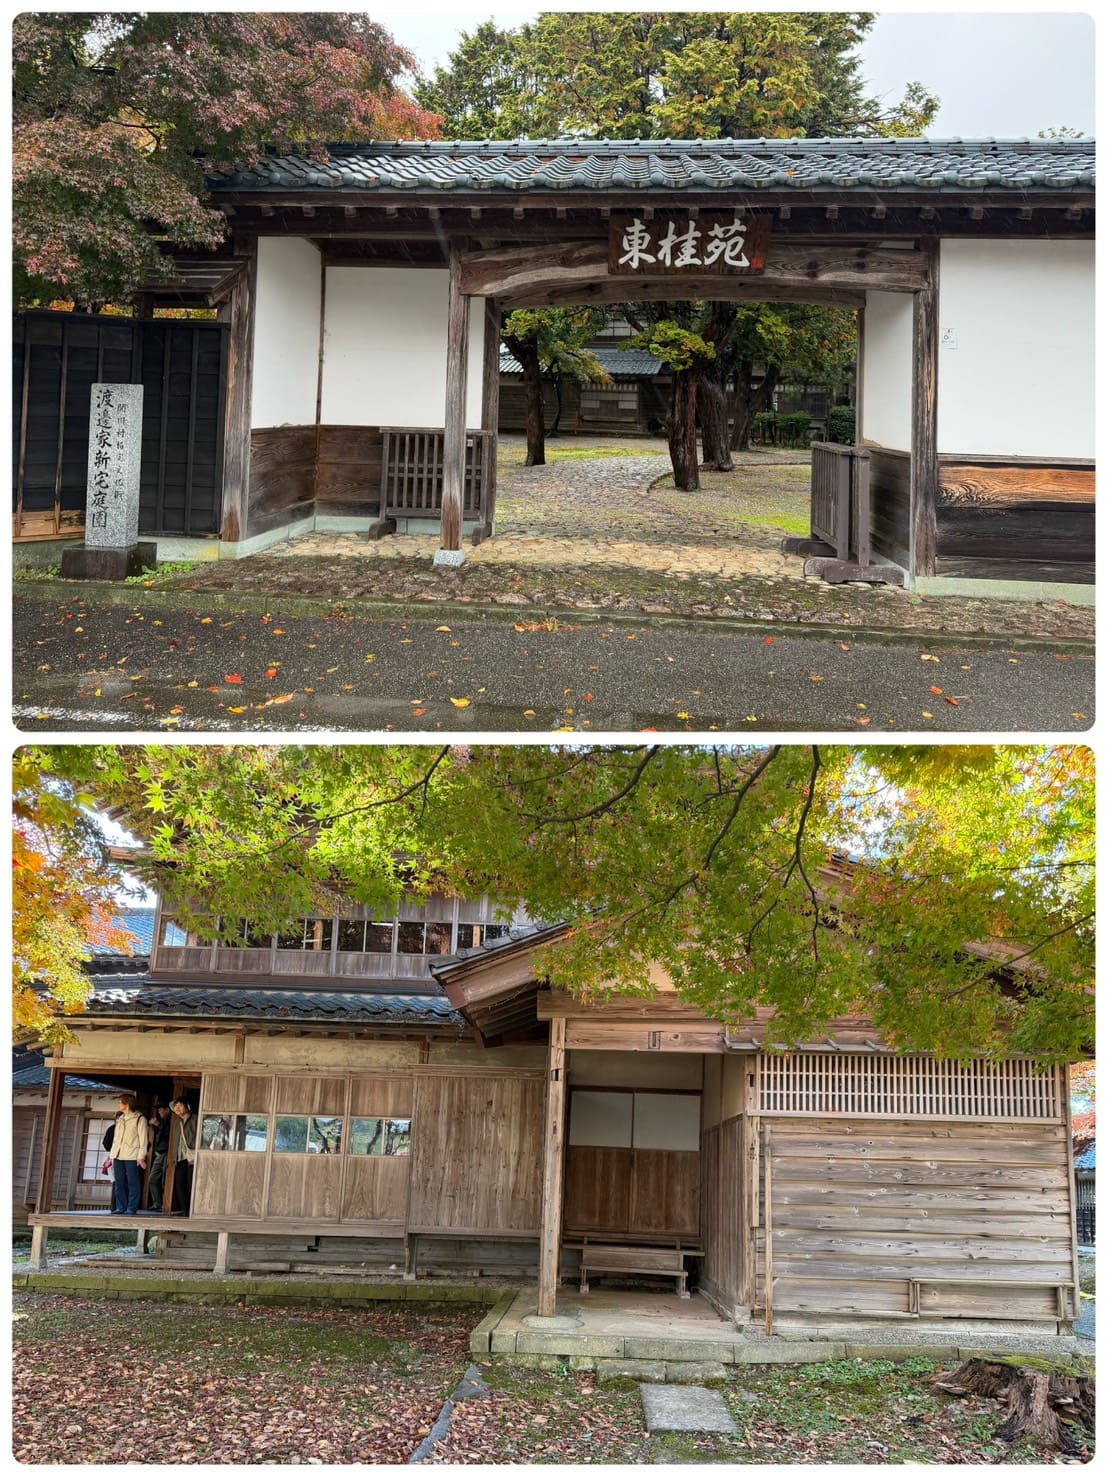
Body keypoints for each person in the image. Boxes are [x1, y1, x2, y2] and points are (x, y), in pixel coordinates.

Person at [105, 1094, 148, 1215]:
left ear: (127, 1104)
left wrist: (141, 1156)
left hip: (132, 1155)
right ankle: (121, 1207)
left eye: (120, 1102)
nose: (118, 1104)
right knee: (119, 1182)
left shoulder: (140, 1119)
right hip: (118, 1155)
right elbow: (116, 1139)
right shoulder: (120, 1119)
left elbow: (143, 1140)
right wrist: (112, 1155)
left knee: (133, 1182)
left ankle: (131, 1208)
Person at [170, 1098, 197, 1214]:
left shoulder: (195, 1118)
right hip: (180, 1157)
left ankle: (193, 1211)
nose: (177, 1109)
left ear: (187, 1106)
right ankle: (185, 1211)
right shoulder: (177, 1122)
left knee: (192, 1184)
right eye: (175, 1107)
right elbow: (174, 1140)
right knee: (179, 1184)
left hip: (193, 1157)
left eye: (180, 1106)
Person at [145, 1105, 172, 1212]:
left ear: (167, 1110)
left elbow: (170, 1134)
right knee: (152, 1179)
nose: (159, 1112)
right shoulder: (162, 1121)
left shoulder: (172, 1120)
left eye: (161, 1109)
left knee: (165, 1181)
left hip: (168, 1153)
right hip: (159, 1154)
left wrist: (158, 1124)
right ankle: (157, 1203)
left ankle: (165, 1205)